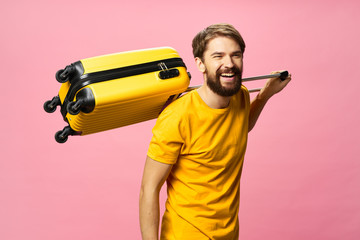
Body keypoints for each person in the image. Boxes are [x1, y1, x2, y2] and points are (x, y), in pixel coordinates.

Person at [139, 23, 291, 240]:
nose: (229, 64)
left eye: (235, 55)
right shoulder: (178, 116)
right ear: (200, 64)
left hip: (229, 234)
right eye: (218, 56)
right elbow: (149, 189)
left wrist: (265, 95)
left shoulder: (241, 97)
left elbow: (240, 127)